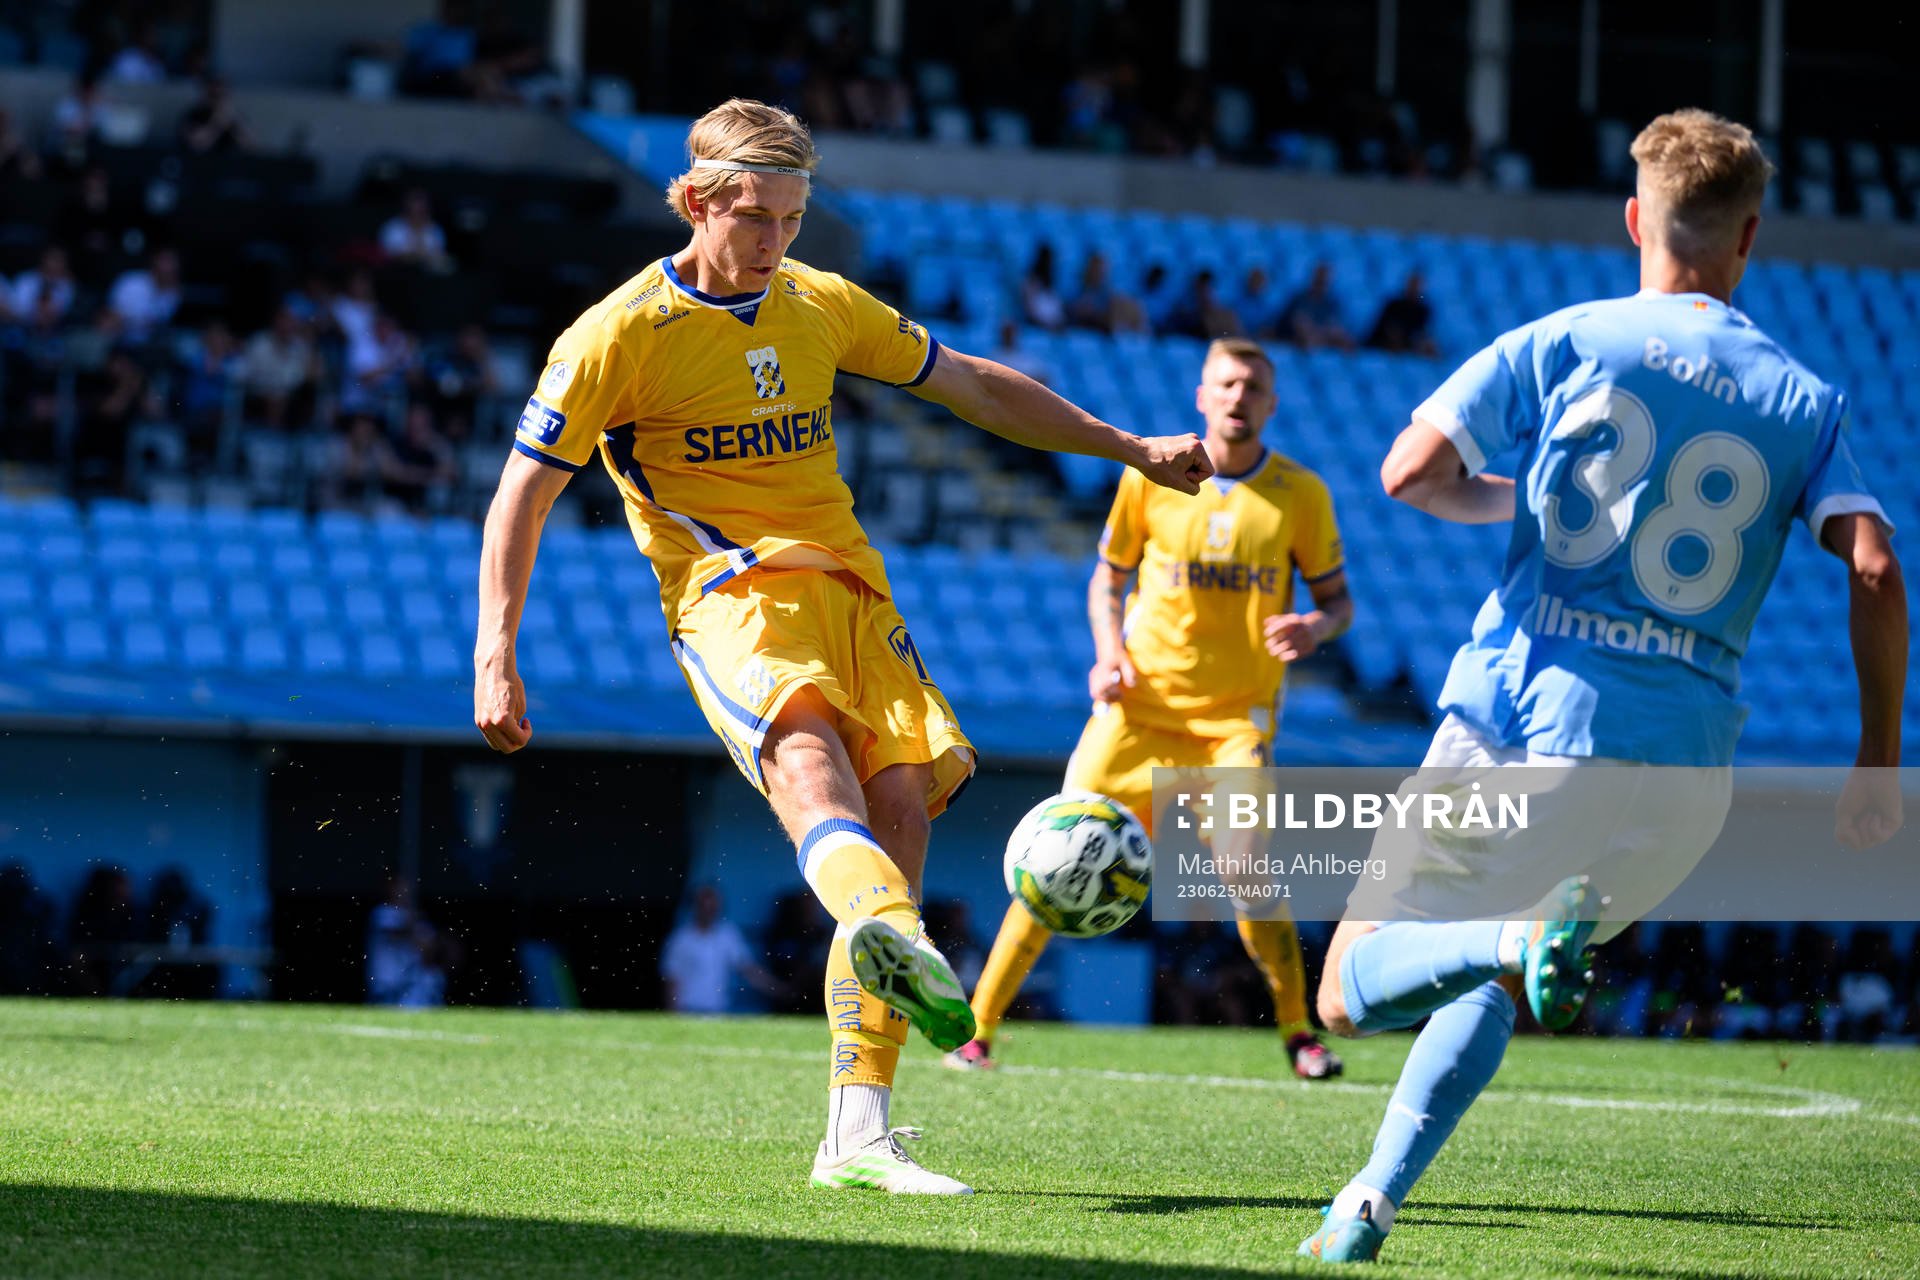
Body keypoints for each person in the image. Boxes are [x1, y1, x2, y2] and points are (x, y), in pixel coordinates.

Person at [473, 98, 1210, 1195]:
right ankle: (892, 931)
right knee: (809, 761)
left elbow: (969, 382)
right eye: (754, 216)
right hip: (731, 593)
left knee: (902, 809)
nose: (775, 239)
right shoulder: (615, 335)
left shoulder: (820, 303)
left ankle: (857, 1134)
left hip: (855, 591)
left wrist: (1127, 446)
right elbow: (522, 493)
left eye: (792, 218)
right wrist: (495, 650)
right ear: (695, 201)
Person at [1297, 109, 1906, 1264]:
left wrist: (1527, 499)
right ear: (1750, 237)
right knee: (1491, 971)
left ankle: (1508, 938)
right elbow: (1874, 567)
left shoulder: (1570, 337)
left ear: (1636, 219)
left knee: (1347, 991)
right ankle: (1367, 1200)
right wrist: (1876, 761)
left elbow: (1409, 471)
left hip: (1528, 721)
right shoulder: (1803, 398)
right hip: (1685, 776)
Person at [946, 338, 1353, 1080]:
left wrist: (1315, 627)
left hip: (1233, 724)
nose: (1238, 396)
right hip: (1137, 712)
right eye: (1226, 384)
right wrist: (1108, 654)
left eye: (1253, 387)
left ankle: (1299, 1032)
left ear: (1271, 404)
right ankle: (979, 1033)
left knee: (1249, 874)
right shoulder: (1155, 474)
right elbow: (1108, 580)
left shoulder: (1301, 493)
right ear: (1203, 396)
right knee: (1056, 858)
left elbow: (1338, 603)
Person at [660, 885, 782, 1013]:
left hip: (718, 1013)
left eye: (712, 907)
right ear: (695, 906)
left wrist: (779, 989)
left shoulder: (727, 934)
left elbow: (748, 969)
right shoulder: (680, 939)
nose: (709, 911)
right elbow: (671, 980)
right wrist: (673, 1014)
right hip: (688, 1011)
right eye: (704, 906)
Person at [1280, 262, 1353, 350]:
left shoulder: (1331, 303)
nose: (1321, 282)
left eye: (1324, 280)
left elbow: (1335, 325)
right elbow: (1297, 323)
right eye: (1319, 279)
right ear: (1313, 278)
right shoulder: (1300, 299)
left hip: (1323, 338)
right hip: (1297, 340)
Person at [1365, 271, 1438, 356]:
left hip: (1409, 346)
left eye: (1417, 285)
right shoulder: (1393, 305)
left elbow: (1422, 332)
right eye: (1412, 284)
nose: (1414, 288)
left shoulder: (1423, 310)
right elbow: (1383, 328)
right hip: (1384, 344)